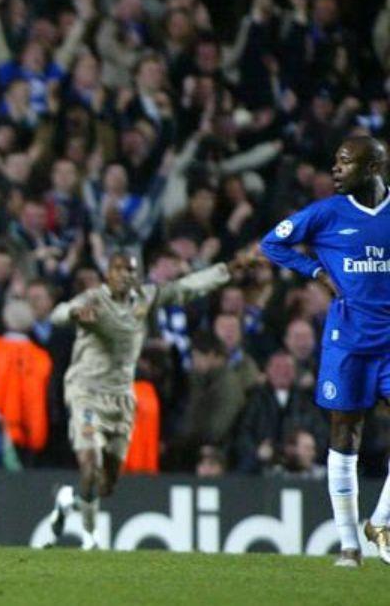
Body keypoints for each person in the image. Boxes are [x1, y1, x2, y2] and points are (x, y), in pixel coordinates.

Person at [44, 250, 251, 550]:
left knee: (107, 483)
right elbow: (58, 314)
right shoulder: (94, 300)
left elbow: (185, 288)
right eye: (118, 270)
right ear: (108, 274)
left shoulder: (145, 298)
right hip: (86, 393)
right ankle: (90, 539)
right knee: (90, 464)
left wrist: (226, 269)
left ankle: (68, 500)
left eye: (130, 271)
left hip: (120, 398)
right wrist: (75, 314)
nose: (125, 276)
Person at [259, 135, 390, 568]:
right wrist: (315, 271)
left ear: (373, 168)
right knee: (345, 433)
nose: (335, 169)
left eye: (345, 162)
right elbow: (271, 243)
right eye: (336, 161)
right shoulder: (326, 213)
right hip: (348, 343)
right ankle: (349, 546)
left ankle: (381, 522)